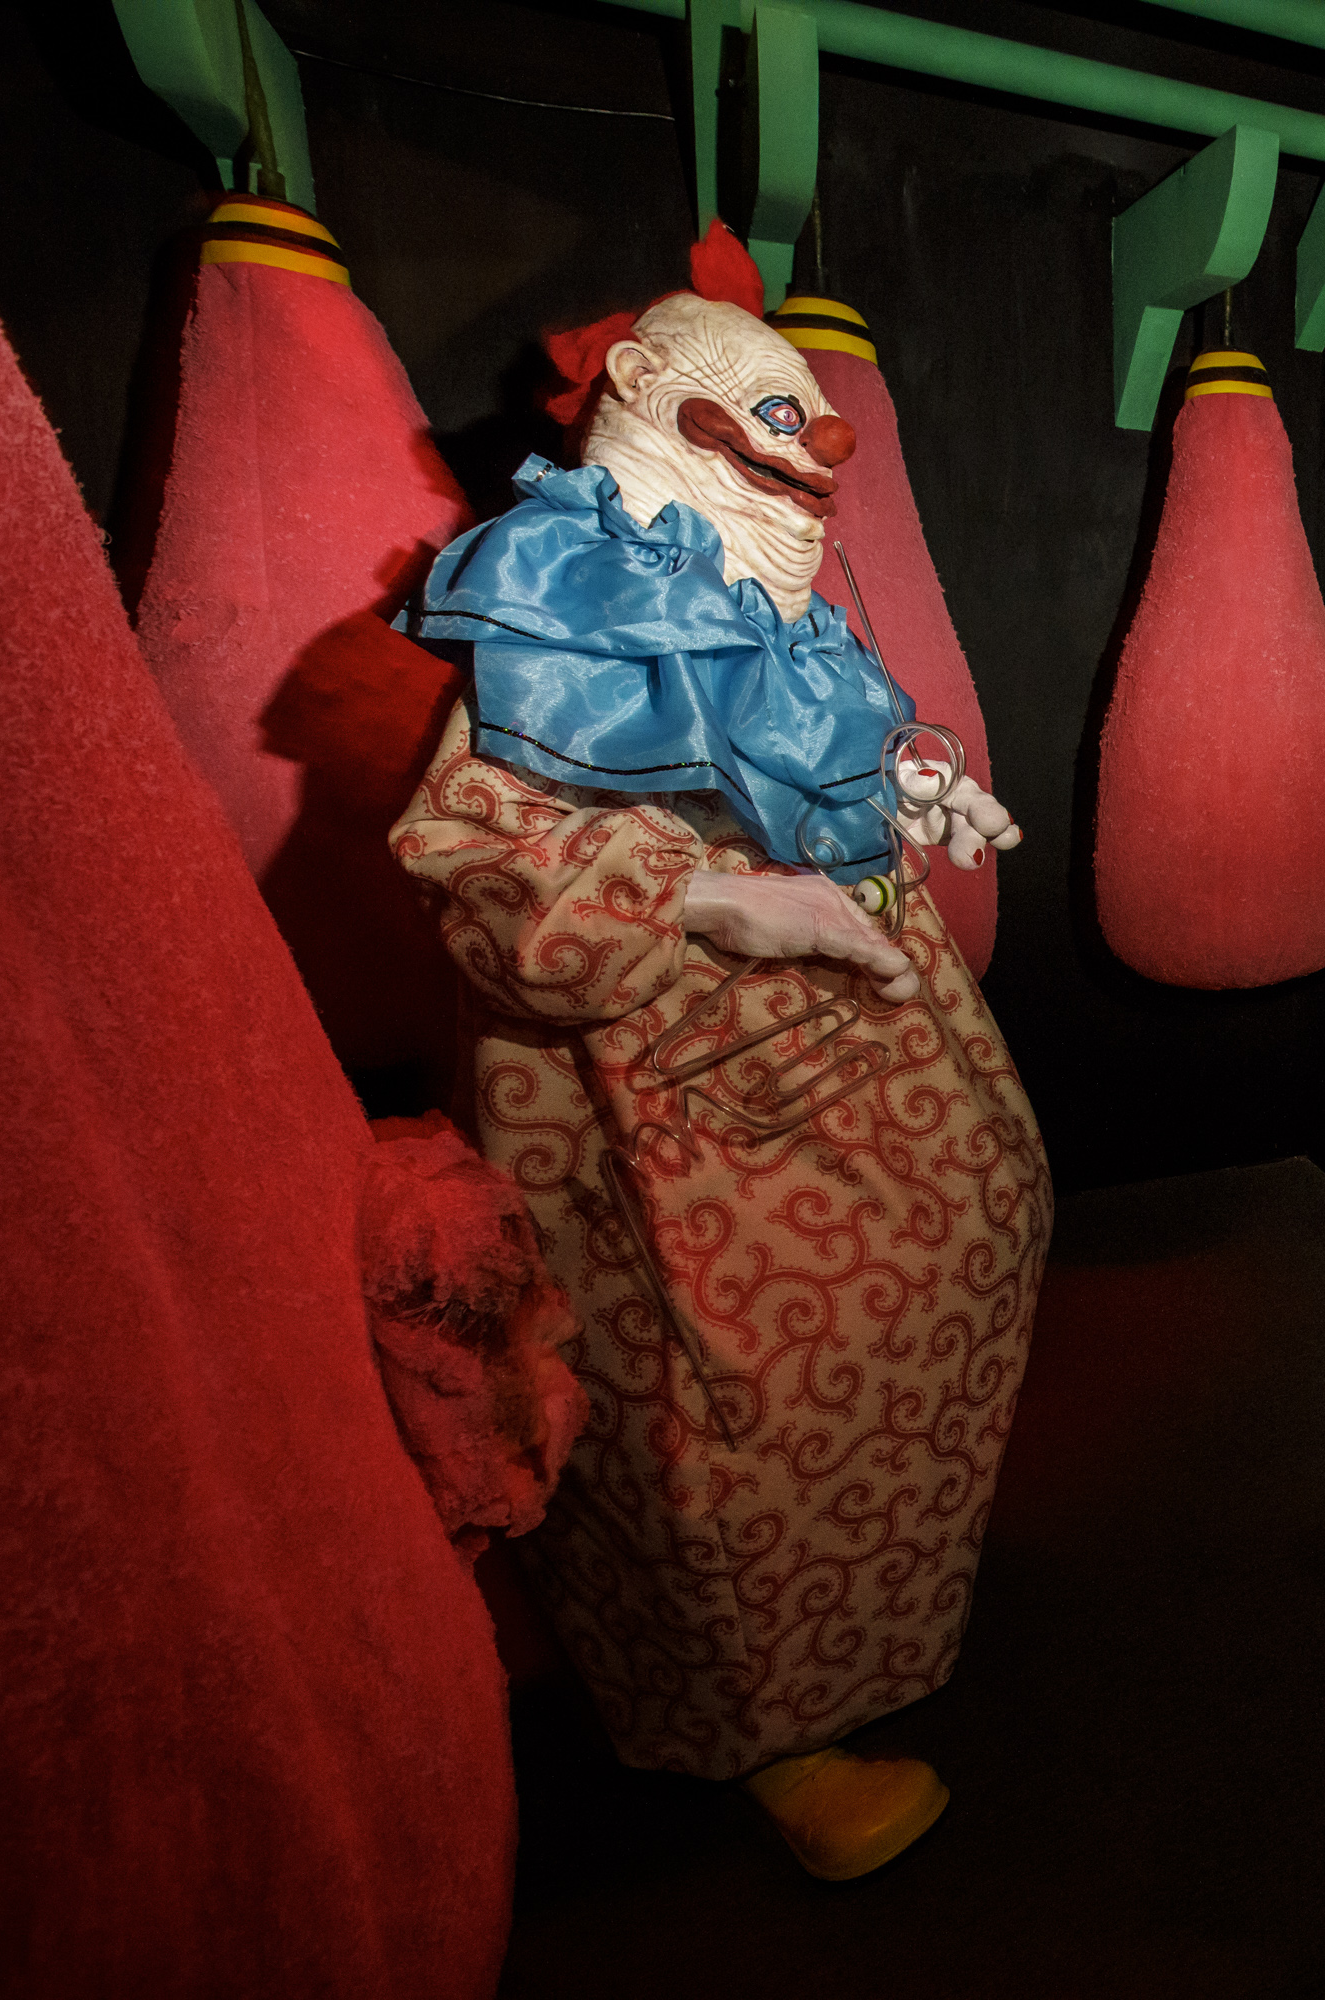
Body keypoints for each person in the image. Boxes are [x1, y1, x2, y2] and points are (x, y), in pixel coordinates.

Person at [392, 282, 1047, 1882]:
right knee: (730, 1423)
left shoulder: (778, 612)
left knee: (941, 1297)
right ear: (641, 387)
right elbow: (469, 860)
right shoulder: (558, 608)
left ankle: (882, 1629)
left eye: (809, 416)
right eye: (770, 411)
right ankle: (770, 1732)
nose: (815, 445)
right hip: (688, 1128)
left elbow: (817, 765)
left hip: (868, 1075)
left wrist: (915, 792)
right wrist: (697, 897)